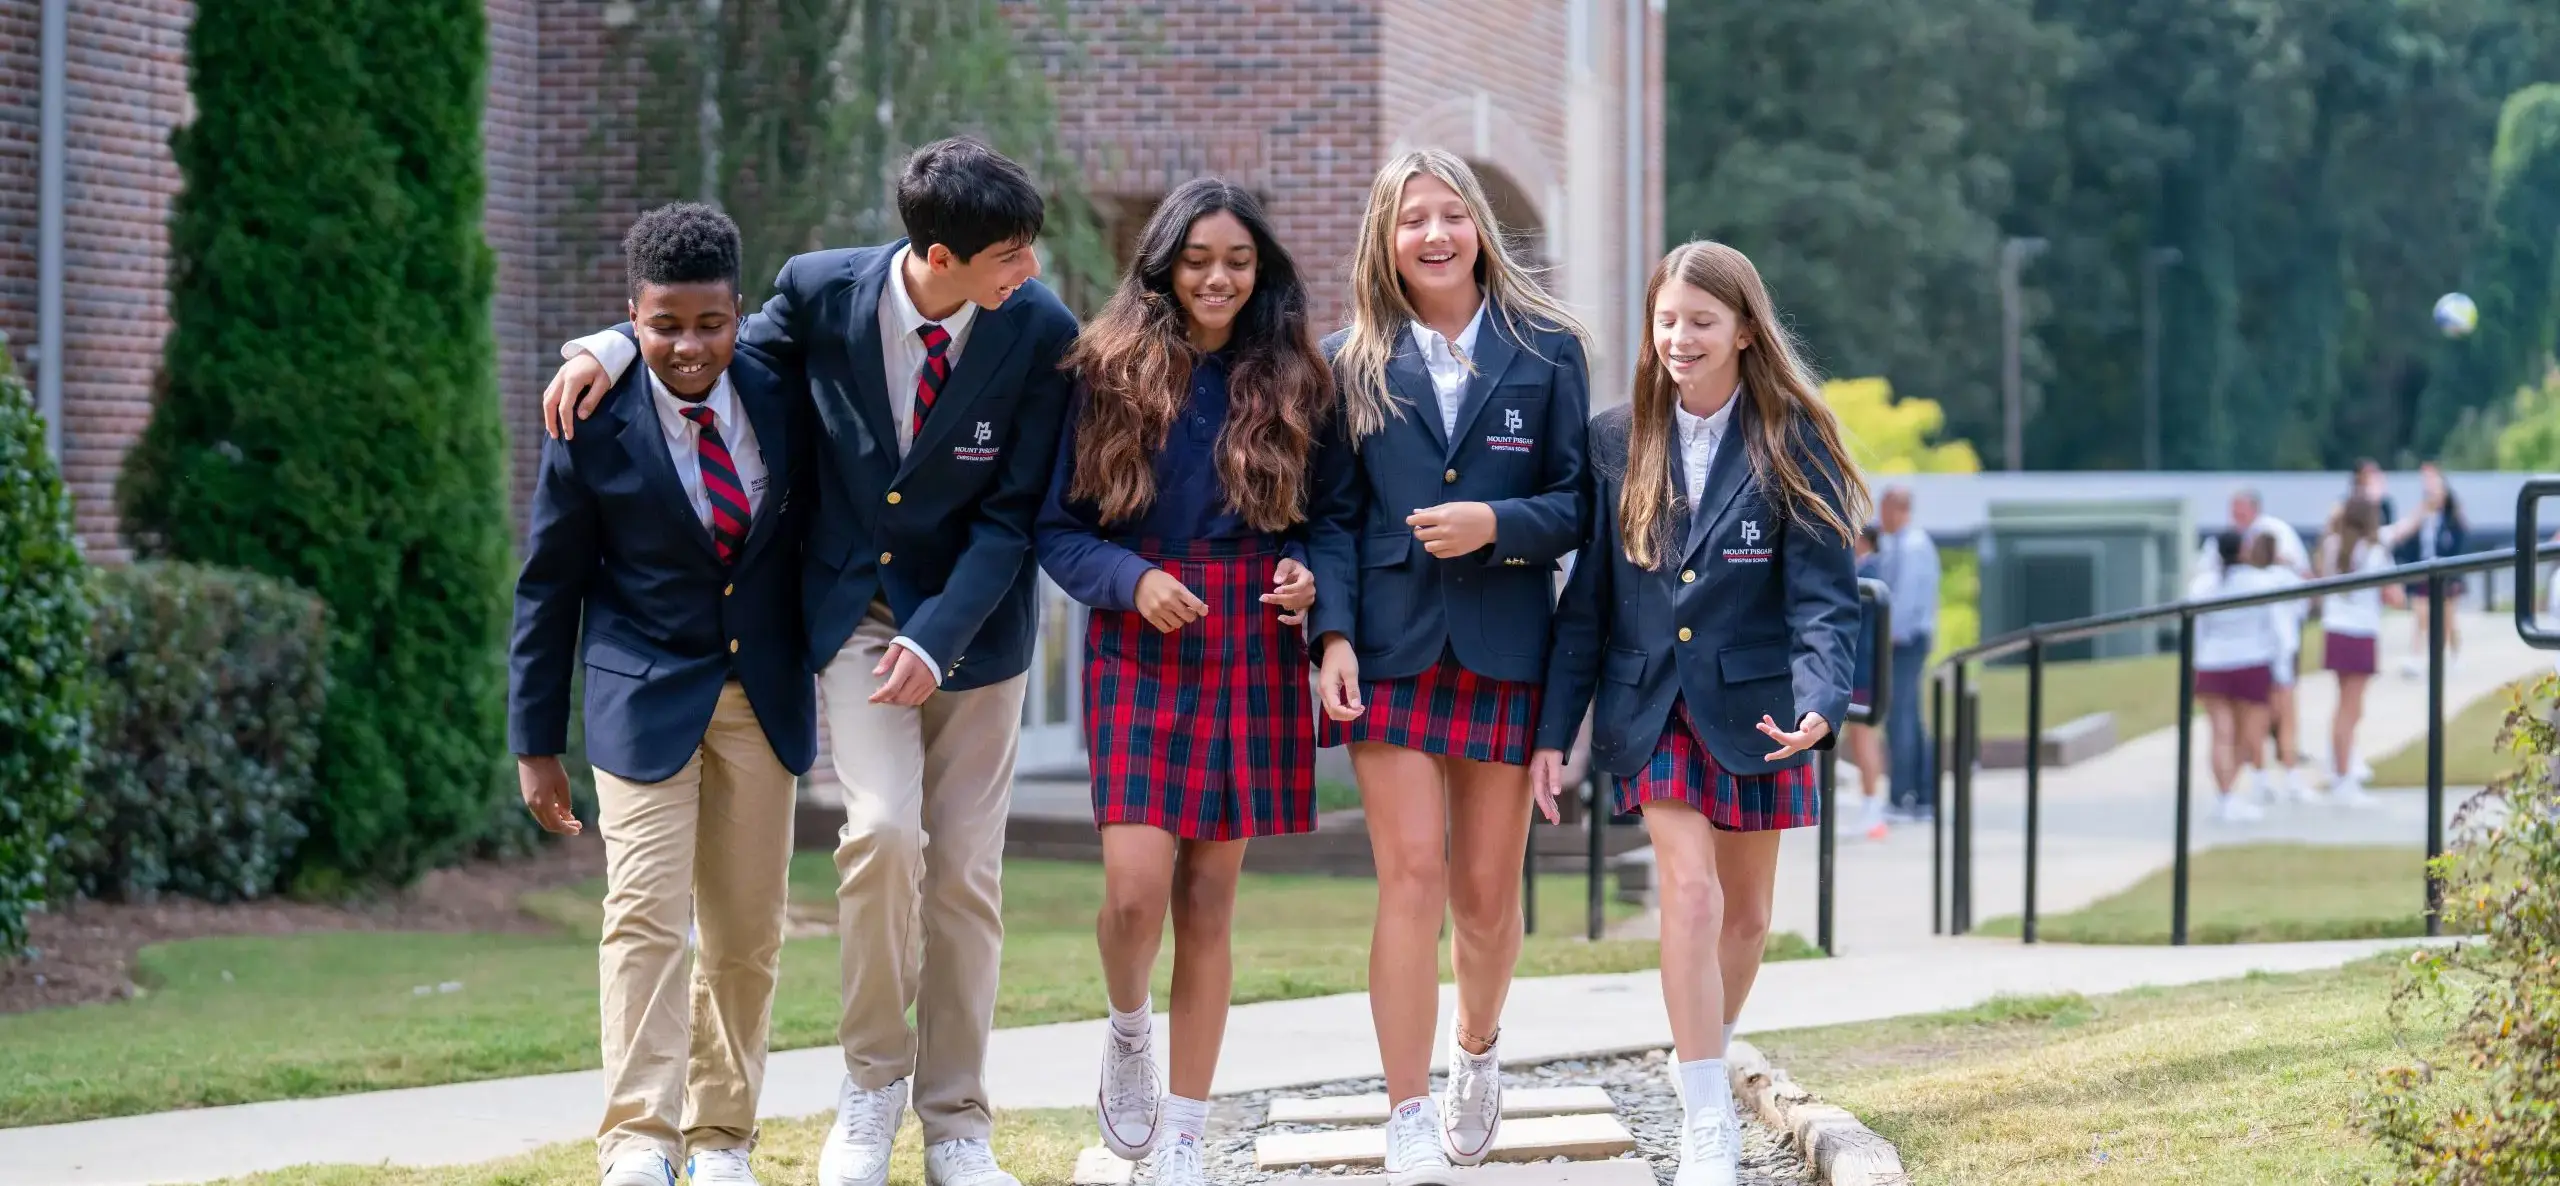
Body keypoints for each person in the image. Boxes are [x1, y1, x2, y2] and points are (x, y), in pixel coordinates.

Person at [541, 139, 1081, 1186]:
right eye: (1012, 253)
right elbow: (702, 340)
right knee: (881, 833)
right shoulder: (822, 291)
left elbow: (1013, 515)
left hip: (976, 630)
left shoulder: (1039, 329)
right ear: (937, 253)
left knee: (965, 874)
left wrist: (942, 635)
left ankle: (959, 1124)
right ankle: (871, 1090)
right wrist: (609, 344)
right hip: (857, 618)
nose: (1030, 269)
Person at [1532, 240, 1865, 1186]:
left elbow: (1825, 599)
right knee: (1691, 892)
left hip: (1760, 710)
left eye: (1701, 321)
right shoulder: (1614, 439)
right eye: (1667, 320)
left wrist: (1818, 704)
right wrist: (1556, 734)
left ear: (1746, 331)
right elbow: (1586, 602)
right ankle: (1708, 1116)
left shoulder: (1796, 438)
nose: (1679, 338)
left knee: (1748, 919)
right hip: (1649, 706)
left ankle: (1697, 1055)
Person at [1034, 179, 1337, 1186]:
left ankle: (1186, 1137)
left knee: (1208, 900)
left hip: (1250, 635)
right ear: (1163, 265)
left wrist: (1307, 575)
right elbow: (1058, 530)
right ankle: (1128, 1030)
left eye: (1238, 262)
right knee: (1134, 892)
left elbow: (1322, 520)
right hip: (1140, 637)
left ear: (1262, 271)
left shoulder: (1299, 374)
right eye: (1199, 260)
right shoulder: (1104, 369)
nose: (1219, 278)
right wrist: (1132, 580)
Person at [510, 204, 816, 1186]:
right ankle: (640, 1138)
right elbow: (548, 582)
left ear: (739, 314)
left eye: (710, 323)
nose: (689, 345)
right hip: (639, 697)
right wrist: (534, 741)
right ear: (630, 319)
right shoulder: (588, 413)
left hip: (760, 697)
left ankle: (723, 1137)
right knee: (642, 915)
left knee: (744, 929)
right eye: (662, 325)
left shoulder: (783, 387)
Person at [1303, 147, 1590, 1183]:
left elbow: (1575, 507)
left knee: (1482, 895)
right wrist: (1330, 634)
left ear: (1478, 229)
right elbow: (1325, 516)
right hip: (1390, 647)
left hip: (1507, 649)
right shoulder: (1345, 361)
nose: (1433, 234)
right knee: (1410, 874)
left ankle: (1475, 1046)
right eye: (1411, 218)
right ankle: (1407, 1107)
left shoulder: (1549, 351)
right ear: (1385, 239)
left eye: (1450, 215)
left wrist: (1495, 524)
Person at [2192, 532, 2287, 824]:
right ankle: (2227, 795)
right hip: (2250, 663)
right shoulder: (2261, 582)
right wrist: (2281, 671)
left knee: (2221, 734)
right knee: (2246, 737)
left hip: (2213, 663)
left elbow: (2198, 631)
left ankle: (2225, 796)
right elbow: (2276, 629)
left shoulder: (2203, 586)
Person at [2225, 488, 2312, 801]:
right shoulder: (2275, 580)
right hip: (2276, 653)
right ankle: (2288, 777)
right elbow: (2306, 587)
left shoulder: (2246, 579)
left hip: (2254, 653)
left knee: (2256, 718)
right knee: (2284, 716)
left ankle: (2261, 778)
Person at [2317, 496, 2396, 805]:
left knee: (2344, 705)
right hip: (2361, 630)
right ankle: (2343, 775)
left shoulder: (2332, 545)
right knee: (2351, 709)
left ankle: (2340, 767)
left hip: (2335, 628)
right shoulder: (2374, 552)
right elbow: (2392, 594)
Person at [1872, 486, 1937, 821]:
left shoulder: (1912, 547)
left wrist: (1886, 636)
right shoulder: (1897, 546)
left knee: (1902, 718)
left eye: (1884, 509)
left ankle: (1903, 797)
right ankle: (1921, 795)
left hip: (1906, 641)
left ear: (1898, 508)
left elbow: (1906, 602)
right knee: (1908, 717)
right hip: (1903, 640)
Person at [2386, 462, 2467, 677]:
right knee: (2420, 615)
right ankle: (2416, 657)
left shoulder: (2452, 519)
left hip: (2446, 573)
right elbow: (2405, 539)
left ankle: (2454, 655)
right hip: (2423, 570)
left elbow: (2458, 546)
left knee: (2448, 618)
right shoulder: (2420, 517)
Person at [1848, 526, 1889, 840]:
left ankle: (1873, 807)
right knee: (1858, 739)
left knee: (1864, 739)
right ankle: (1869, 805)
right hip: (1858, 667)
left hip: (1862, 668)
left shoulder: (1871, 574)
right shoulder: (1867, 570)